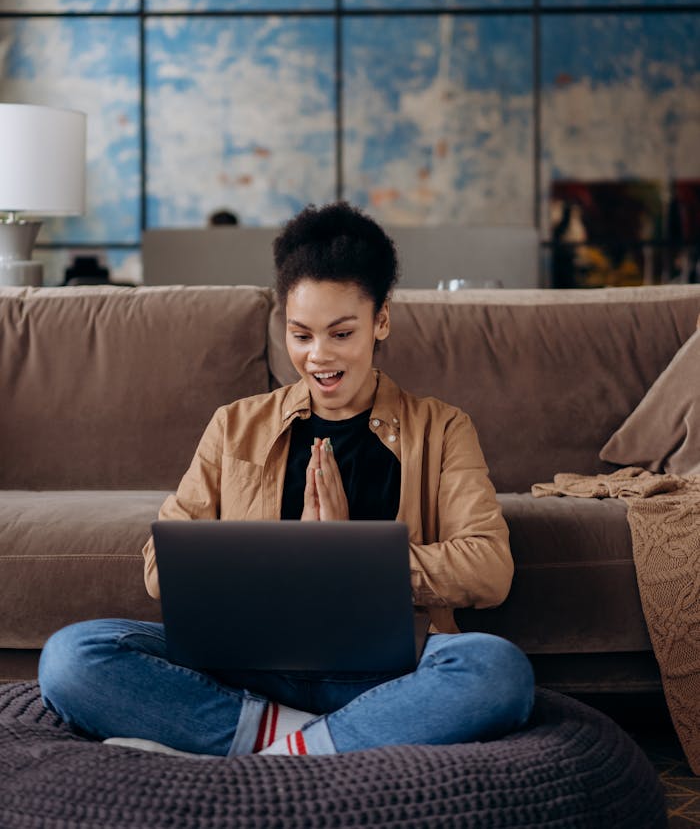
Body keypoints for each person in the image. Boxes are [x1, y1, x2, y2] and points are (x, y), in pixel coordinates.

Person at [39, 202, 534, 757]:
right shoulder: (235, 425)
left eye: (341, 333)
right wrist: (288, 559)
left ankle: (263, 743)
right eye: (301, 335)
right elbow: (161, 568)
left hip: (385, 673)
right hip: (250, 670)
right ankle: (324, 744)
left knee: (497, 671)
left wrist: (349, 558)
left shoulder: (442, 428)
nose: (318, 356)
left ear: (381, 321)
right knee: (71, 656)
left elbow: (490, 570)